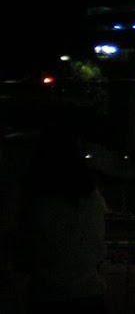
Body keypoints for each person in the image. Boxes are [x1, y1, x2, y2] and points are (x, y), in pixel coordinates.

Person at [15, 120, 108, 314]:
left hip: (46, 296)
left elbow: (23, 254)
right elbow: (98, 247)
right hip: (89, 293)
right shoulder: (92, 198)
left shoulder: (35, 202)